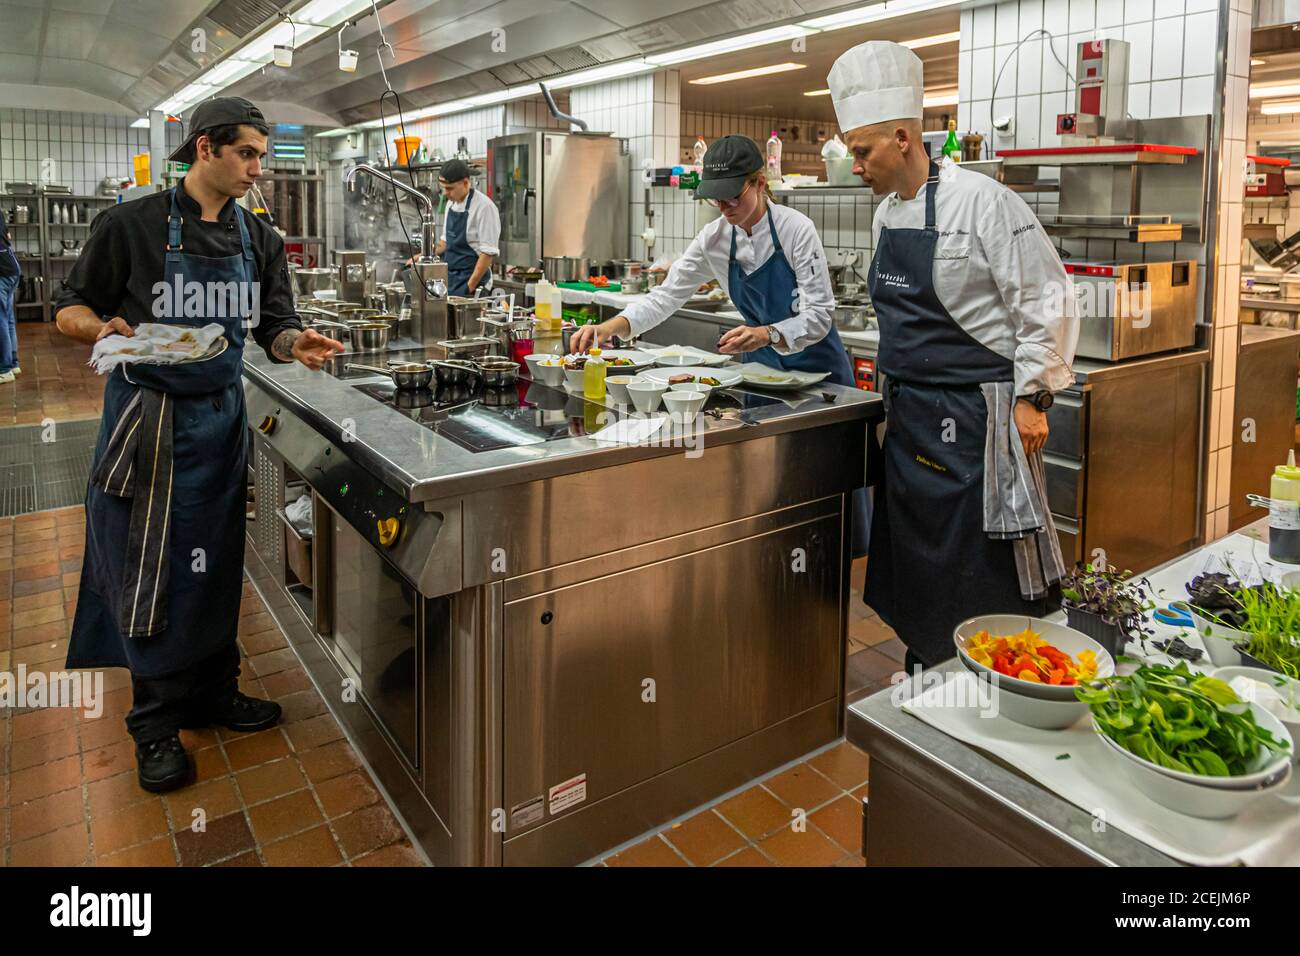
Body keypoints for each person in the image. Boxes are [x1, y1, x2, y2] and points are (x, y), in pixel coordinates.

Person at [54, 96, 344, 793]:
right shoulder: (132, 225)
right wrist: (100, 331)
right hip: (148, 422)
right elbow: (69, 307)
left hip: (220, 420)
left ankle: (215, 690)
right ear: (206, 148)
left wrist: (291, 342)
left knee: (215, 560)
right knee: (149, 563)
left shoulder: (258, 240)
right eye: (246, 153)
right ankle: (154, 723)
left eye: (261, 156)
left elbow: (273, 325)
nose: (257, 169)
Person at [827, 41, 1080, 672]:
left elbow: (1048, 297)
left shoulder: (985, 203)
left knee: (987, 562)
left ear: (905, 138)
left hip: (981, 422)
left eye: (863, 152)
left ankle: (1001, 679)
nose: (855, 165)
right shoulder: (886, 215)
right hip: (912, 416)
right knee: (919, 561)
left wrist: (1033, 396)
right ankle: (928, 669)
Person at [571, 135, 868, 552]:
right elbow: (667, 295)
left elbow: (820, 315)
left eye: (733, 198)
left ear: (759, 183)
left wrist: (767, 332)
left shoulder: (796, 230)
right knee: (773, 480)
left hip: (819, 371)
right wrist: (613, 326)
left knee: (828, 481)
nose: (726, 209)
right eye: (717, 201)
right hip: (762, 375)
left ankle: (833, 568)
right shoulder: (715, 238)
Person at [435, 158, 498, 297]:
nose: (445, 193)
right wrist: (422, 255)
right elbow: (445, 243)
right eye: (444, 188)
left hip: (474, 284)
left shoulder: (484, 207)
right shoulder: (450, 205)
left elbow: (487, 254)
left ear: (465, 183)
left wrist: (469, 287)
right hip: (451, 281)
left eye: (449, 188)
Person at [0, 211, 19, 383]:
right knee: (7, 318)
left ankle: (4, 369)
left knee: (1, 320)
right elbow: (8, 235)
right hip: (11, 268)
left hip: (1, 272)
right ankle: (13, 364)